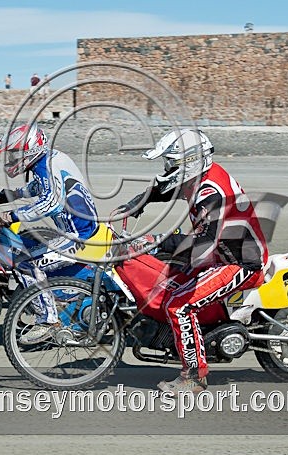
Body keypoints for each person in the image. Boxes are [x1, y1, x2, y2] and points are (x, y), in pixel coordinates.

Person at [113, 129, 269, 396]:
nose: (167, 169)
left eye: (172, 163)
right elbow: (168, 187)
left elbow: (203, 245)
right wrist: (138, 202)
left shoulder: (212, 192)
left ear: (190, 162)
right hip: (218, 255)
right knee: (165, 274)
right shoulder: (199, 178)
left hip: (239, 262)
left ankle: (194, 378)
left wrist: (158, 241)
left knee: (179, 305)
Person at [0, 123, 100, 344]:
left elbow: (50, 202)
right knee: (26, 242)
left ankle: (48, 321)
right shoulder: (49, 159)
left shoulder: (44, 166)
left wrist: (13, 215)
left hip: (78, 237)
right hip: (77, 231)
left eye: (14, 153)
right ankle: (39, 303)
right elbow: (41, 189)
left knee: (24, 263)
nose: (11, 159)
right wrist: (12, 194)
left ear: (29, 149)